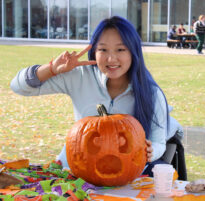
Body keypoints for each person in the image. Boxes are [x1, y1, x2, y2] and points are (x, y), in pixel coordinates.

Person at [10, 16, 183, 177]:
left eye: (120, 49)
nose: (111, 58)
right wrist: (52, 70)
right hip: (75, 172)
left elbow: (159, 142)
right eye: (103, 49)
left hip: (128, 177)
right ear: (94, 52)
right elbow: (19, 87)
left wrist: (152, 151)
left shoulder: (151, 93)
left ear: (133, 52)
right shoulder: (79, 76)